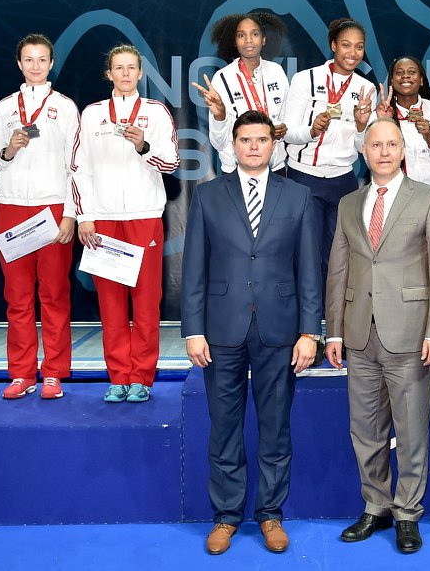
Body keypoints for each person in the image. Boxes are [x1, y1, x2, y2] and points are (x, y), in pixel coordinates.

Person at [181, 110, 322, 554]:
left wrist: (310, 332)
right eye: (246, 139)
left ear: (274, 144)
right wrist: (192, 330)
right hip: (221, 329)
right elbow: (193, 271)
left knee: (275, 427)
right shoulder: (207, 196)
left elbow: (309, 272)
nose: (255, 146)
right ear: (233, 145)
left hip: (280, 330)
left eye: (262, 139)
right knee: (224, 427)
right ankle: (225, 516)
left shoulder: (299, 196)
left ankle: (270, 515)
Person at [325, 118, 430, 554]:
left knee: (412, 429)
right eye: (375, 144)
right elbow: (338, 271)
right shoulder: (348, 203)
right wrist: (334, 331)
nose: (383, 151)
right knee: (365, 429)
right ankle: (375, 505)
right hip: (360, 335)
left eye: (391, 144)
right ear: (364, 152)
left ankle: (407, 513)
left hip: (412, 335)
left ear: (403, 150)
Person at [71, 44, 180, 403]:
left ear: (140, 73)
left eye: (131, 67)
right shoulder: (92, 114)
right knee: (112, 304)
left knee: (146, 303)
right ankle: (118, 376)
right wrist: (85, 216)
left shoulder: (156, 112)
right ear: (109, 74)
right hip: (102, 220)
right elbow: (79, 168)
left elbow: (172, 164)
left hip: (144, 216)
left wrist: (144, 146)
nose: (126, 74)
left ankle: (142, 378)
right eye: (119, 68)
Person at [0, 33, 79, 400]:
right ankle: (21, 373)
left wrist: (70, 214)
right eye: (28, 59)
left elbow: (76, 166)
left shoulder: (66, 107)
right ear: (18, 63)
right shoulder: (5, 107)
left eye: (42, 60)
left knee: (54, 295)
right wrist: (9, 151)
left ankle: (53, 372)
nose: (35, 66)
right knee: (18, 298)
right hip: (10, 208)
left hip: (53, 208)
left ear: (51, 64)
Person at [281, 17, 376, 292]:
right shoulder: (304, 79)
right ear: (333, 45)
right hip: (304, 177)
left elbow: (363, 147)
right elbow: (287, 132)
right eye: (346, 45)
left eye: (359, 47)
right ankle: (306, 327)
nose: (352, 53)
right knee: (305, 253)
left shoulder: (365, 89)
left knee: (337, 256)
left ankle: (332, 323)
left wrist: (361, 125)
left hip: (343, 181)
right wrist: (311, 131)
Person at [194, 11, 290, 175]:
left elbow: (287, 119)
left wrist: (282, 129)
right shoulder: (222, 79)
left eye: (254, 34)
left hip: (275, 168)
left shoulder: (276, 71)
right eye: (241, 35)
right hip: (237, 171)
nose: (248, 40)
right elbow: (218, 143)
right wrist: (220, 116)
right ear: (235, 41)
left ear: (263, 39)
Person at [372, 55, 430, 190]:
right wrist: (384, 123)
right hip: (397, 194)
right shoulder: (381, 115)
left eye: (411, 72)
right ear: (391, 80)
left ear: (421, 80)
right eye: (399, 73)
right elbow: (373, 161)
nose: (405, 76)